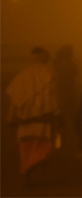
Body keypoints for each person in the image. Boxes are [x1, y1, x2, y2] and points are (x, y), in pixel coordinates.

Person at [5, 47, 61, 185]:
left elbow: (15, 101)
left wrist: (10, 118)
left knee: (26, 152)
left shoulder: (21, 75)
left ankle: (29, 176)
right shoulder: (50, 73)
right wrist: (58, 114)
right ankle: (41, 176)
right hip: (43, 122)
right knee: (44, 151)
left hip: (25, 123)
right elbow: (54, 97)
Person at [52, 45, 79, 155]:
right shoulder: (69, 64)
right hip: (68, 94)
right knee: (72, 120)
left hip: (60, 95)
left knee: (59, 122)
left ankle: (58, 145)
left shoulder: (55, 63)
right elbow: (74, 72)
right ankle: (73, 143)